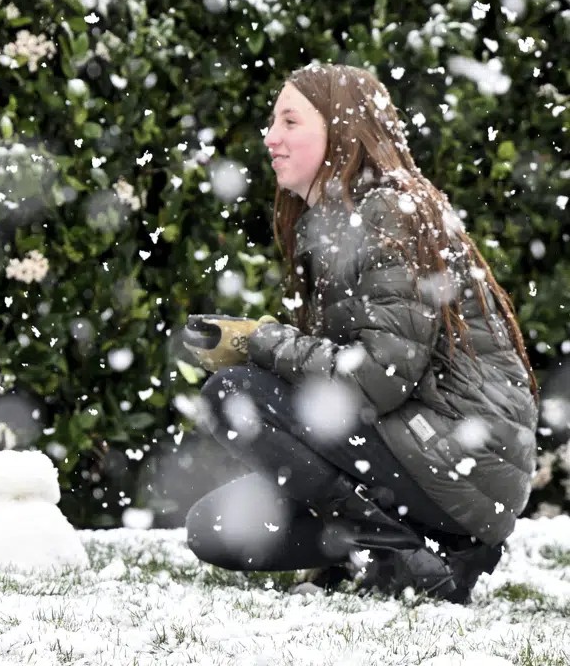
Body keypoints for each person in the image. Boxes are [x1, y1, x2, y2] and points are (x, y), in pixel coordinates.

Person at [181, 64, 538, 603]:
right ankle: (427, 553)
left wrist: (258, 341)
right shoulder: (336, 221)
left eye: (290, 121)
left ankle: (400, 553)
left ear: (341, 130)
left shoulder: (389, 210)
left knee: (236, 394)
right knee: (214, 526)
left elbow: (377, 378)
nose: (271, 137)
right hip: (424, 460)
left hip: (463, 467)